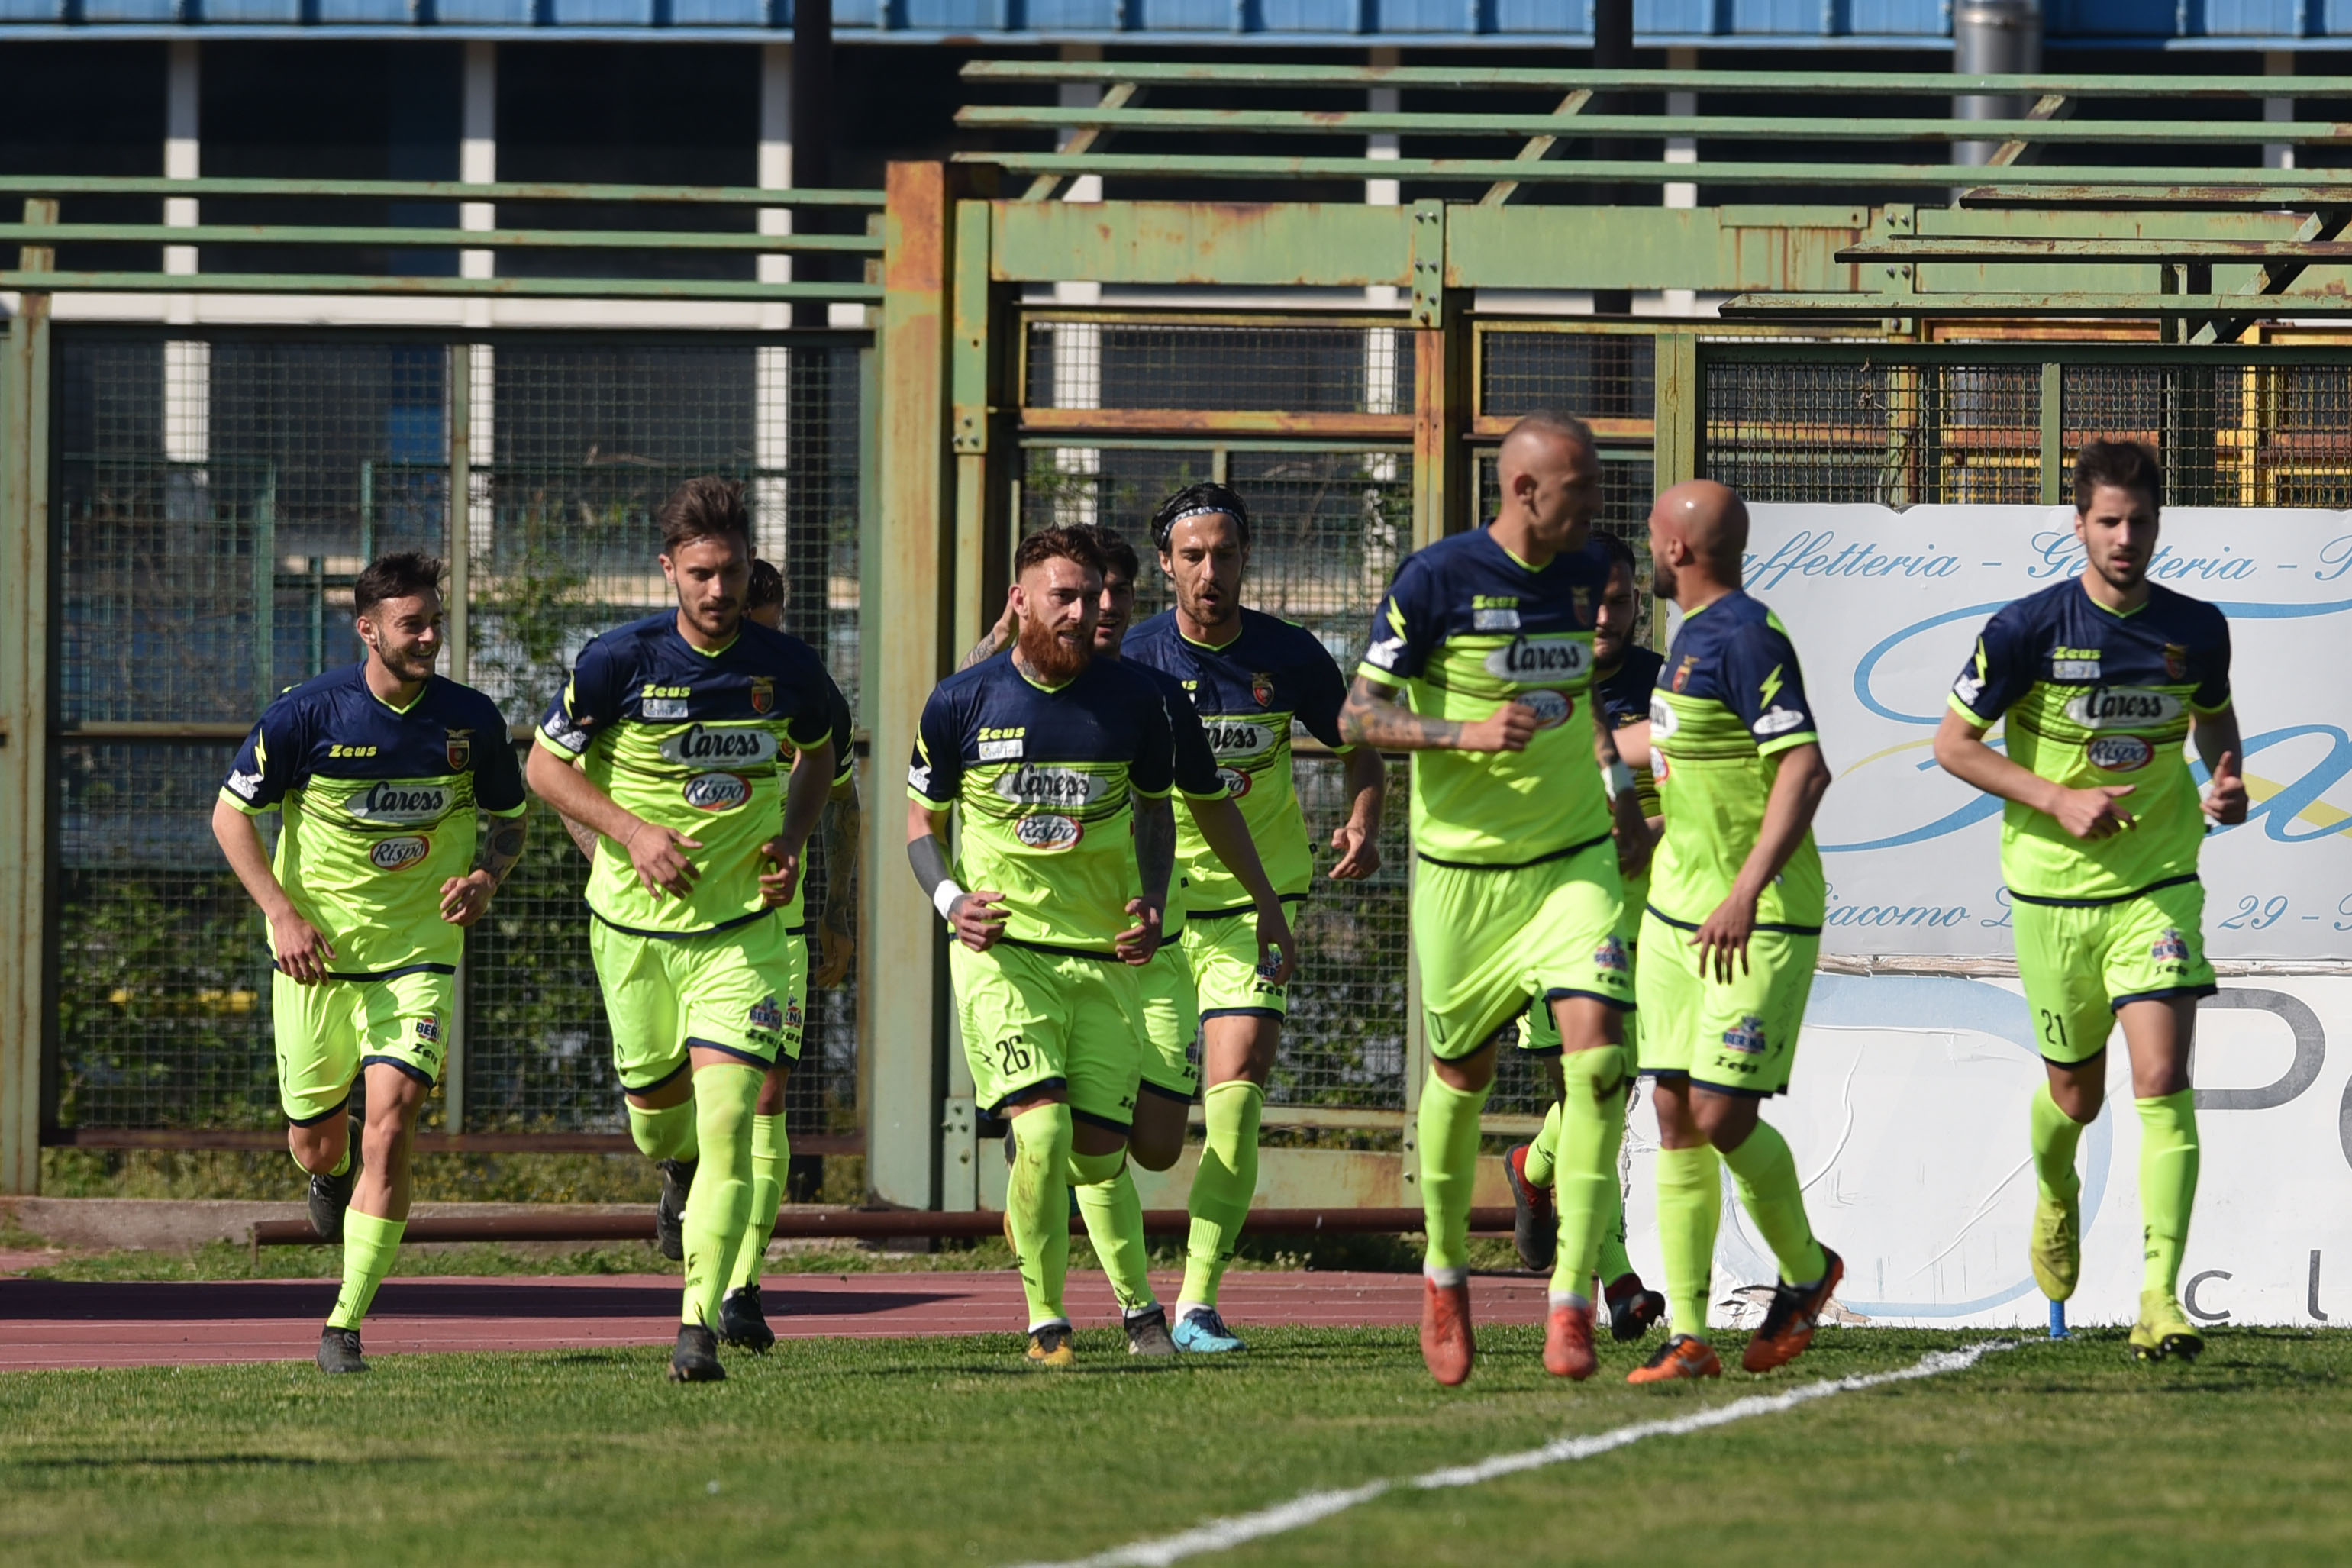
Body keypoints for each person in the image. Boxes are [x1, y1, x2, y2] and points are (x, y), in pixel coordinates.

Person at [1339, 411, 1653, 1386]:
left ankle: (1572, 1298)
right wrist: (1463, 734)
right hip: (1464, 877)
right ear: (1524, 491)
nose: (1598, 506)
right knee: (1462, 1081)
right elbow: (1358, 715)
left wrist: (1619, 796)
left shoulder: (1578, 572)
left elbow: (1585, 707)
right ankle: (1443, 1270)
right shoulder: (1435, 581)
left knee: (1600, 1067)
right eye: (1583, 487)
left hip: (1571, 864)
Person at [1933, 439, 2244, 1364]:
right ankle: (2056, 1184)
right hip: (2053, 895)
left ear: (2158, 527)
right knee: (2077, 1092)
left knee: (2163, 1082)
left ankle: (2158, 1296)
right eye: (2108, 521)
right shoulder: (2027, 627)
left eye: (2140, 522)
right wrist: (2056, 797)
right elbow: (1954, 743)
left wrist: (2224, 781)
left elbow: (2215, 718)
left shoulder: (2196, 627)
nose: (2125, 538)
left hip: (2158, 887)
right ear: (2078, 525)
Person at [528, 478, 840, 1383]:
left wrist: (788, 834)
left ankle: (698, 1322)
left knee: (734, 1118)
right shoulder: (617, 660)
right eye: (701, 573)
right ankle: (672, 1176)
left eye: (732, 571)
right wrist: (631, 833)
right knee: (661, 1128)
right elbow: (546, 767)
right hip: (633, 932)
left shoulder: (787, 666)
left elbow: (822, 753)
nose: (718, 590)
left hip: (742, 930)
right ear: (668, 569)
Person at [961, 523, 1297, 1355]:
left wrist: (1264, 898)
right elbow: (957, 716)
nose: (1099, 609)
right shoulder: (1002, 684)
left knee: (1150, 1146)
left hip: (1155, 952)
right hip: (1050, 954)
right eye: (1081, 594)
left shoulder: (1149, 698)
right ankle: (1128, 1306)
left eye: (1114, 595)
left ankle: (1058, 1183)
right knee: (1057, 1133)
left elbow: (1207, 802)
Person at [212, 551, 528, 1375]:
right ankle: (326, 1171)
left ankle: (344, 1322)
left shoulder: (470, 720)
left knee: (394, 1121)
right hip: (317, 961)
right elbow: (229, 816)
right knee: (319, 1141)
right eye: (410, 623)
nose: (427, 636)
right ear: (368, 629)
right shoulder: (307, 715)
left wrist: (487, 876)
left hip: (418, 954)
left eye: (434, 621)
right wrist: (282, 913)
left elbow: (511, 817)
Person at [909, 527, 1214, 1367]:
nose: (1084, 612)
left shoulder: (1134, 702)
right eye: (1064, 597)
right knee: (1039, 1133)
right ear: (1020, 600)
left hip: (1104, 959)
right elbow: (920, 827)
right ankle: (1046, 1322)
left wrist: (1152, 899)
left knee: (1102, 1153)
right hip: (1004, 954)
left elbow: (1157, 812)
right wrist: (950, 900)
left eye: (1093, 596)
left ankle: (1138, 1306)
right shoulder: (960, 701)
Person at [1123, 482, 1385, 1353]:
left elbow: (1360, 749)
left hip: (1258, 898)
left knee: (1236, 1095)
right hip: (1153, 906)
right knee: (1153, 1140)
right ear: (1165, 564)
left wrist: (1360, 819)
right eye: (1192, 555)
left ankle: (1197, 1301)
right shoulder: (1132, 659)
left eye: (1224, 554)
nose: (1210, 571)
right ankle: (1060, 1178)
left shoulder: (1292, 656)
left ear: (1246, 560)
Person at [1625, 479, 1840, 1386]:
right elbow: (1676, 746)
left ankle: (1807, 1270)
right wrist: (1585, 743)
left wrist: (1747, 888)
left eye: (1649, 535)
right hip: (1674, 916)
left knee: (1719, 1113)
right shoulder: (1688, 642)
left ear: (1676, 549)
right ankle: (1691, 1332)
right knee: (1674, 1115)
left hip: (1754, 916)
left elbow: (1805, 766)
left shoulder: (1749, 632)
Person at [1505, 530, 1668, 1344]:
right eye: (1588, 599)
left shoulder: (1667, 685)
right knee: (1594, 1096)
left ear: (1641, 601)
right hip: (1558, 920)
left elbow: (1706, 798)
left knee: (1607, 1100)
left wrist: (1653, 827)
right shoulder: (1528, 687)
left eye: (1618, 597)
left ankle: (1534, 1172)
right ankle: (1620, 1279)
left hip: (1652, 926)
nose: (1604, 614)